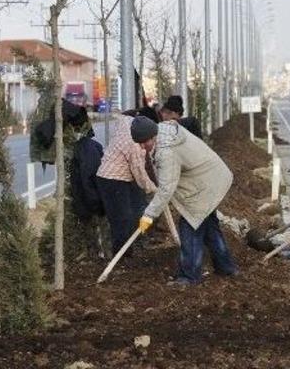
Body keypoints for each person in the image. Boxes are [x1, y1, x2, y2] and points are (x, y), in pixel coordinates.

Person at [132, 117, 238, 285]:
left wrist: (148, 215)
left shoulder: (167, 152)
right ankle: (226, 267)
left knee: (189, 228)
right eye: (139, 143)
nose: (142, 146)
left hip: (204, 186)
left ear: (153, 136)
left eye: (144, 142)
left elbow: (167, 188)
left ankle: (189, 276)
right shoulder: (165, 132)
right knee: (209, 226)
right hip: (210, 179)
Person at [96, 113, 157, 254]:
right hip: (111, 179)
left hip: (125, 178)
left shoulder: (130, 122)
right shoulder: (135, 145)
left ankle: (134, 245)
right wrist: (154, 189)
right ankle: (122, 254)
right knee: (122, 218)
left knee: (137, 209)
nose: (144, 146)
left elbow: (122, 117)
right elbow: (140, 174)